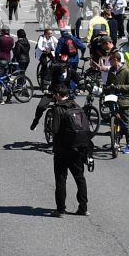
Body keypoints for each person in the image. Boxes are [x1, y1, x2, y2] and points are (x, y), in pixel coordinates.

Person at [47, 84, 92, 217]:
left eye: (54, 94)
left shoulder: (58, 109)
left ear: (57, 95)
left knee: (61, 179)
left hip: (62, 149)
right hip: (78, 149)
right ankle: (83, 207)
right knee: (80, 178)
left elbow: (54, 130)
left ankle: (60, 209)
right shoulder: (76, 106)